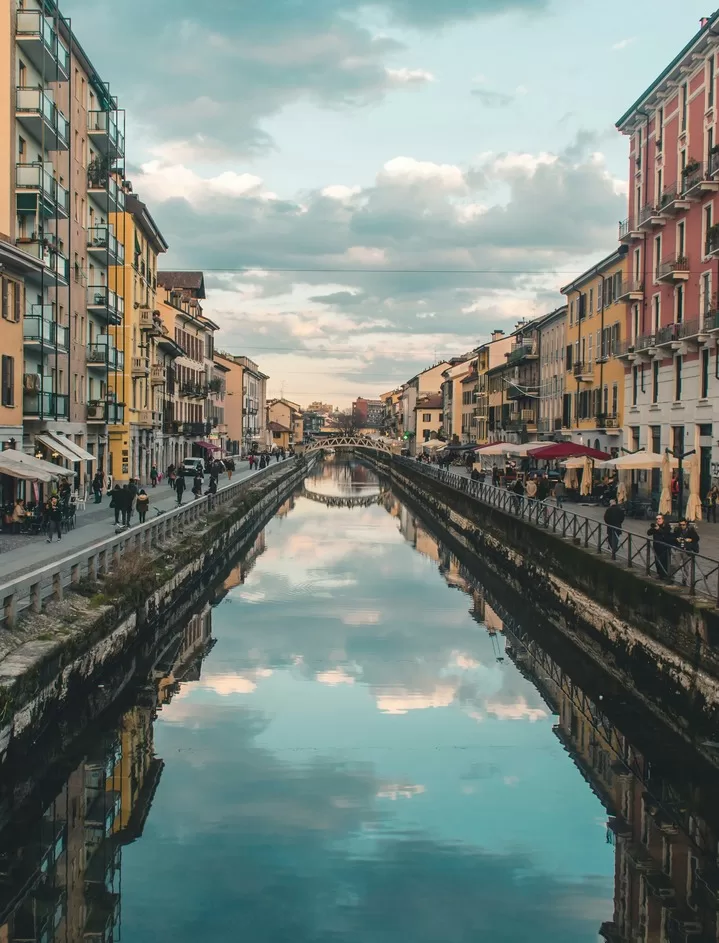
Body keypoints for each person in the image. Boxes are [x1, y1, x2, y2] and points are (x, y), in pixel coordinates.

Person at [648, 514, 673, 580]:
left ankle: (665, 575)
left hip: (664, 547)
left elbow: (665, 533)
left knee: (664, 561)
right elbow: (648, 533)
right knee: (657, 561)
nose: (658, 520)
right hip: (656, 546)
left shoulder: (667, 526)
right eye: (657, 519)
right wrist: (653, 528)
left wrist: (659, 529)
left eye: (659, 519)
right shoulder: (656, 526)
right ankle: (659, 574)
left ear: (663, 519)